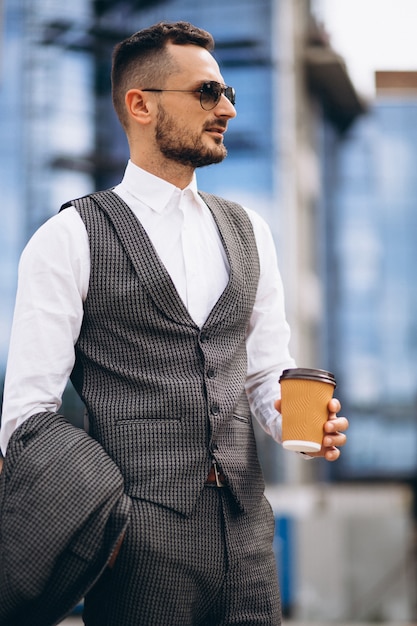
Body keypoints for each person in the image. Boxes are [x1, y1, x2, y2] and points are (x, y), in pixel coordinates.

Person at [0, 21, 348, 626]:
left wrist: (300, 423)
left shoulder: (249, 229)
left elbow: (264, 373)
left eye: (230, 94)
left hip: (249, 538)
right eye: (208, 93)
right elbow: (27, 419)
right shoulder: (70, 237)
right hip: (137, 548)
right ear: (140, 105)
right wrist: (112, 512)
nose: (228, 111)